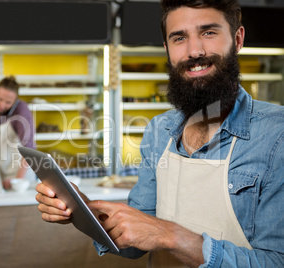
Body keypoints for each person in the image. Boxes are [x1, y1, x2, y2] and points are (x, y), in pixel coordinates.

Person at [35, 0, 284, 267]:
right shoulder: (159, 130)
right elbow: (135, 240)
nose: (194, 51)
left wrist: (171, 236)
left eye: (208, 33)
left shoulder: (276, 135)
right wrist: (83, 209)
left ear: (237, 39)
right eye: (179, 38)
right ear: (166, 49)